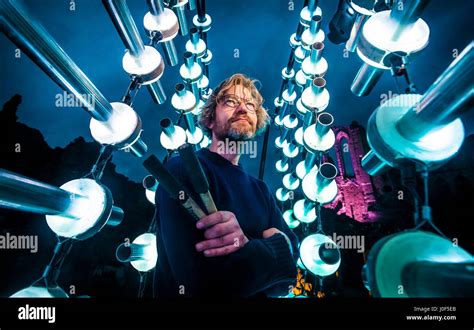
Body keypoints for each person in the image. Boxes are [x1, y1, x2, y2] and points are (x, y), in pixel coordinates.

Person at [153, 73, 298, 297]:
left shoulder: (261, 190)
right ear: (210, 119)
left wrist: (247, 245)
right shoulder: (182, 170)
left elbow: (288, 280)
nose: (243, 109)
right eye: (230, 101)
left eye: (250, 104)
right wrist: (277, 248)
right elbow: (203, 284)